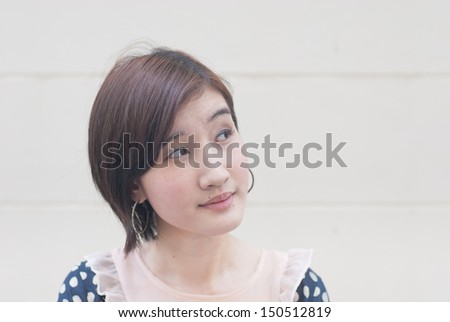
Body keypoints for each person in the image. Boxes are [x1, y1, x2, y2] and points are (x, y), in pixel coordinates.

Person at [57, 46, 329, 302]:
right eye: (179, 152)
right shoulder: (95, 293)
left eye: (223, 134)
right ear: (133, 185)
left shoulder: (294, 291)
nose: (217, 173)